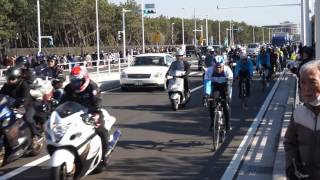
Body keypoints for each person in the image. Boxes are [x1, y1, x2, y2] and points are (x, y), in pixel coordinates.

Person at [59, 66, 109, 169]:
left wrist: (95, 113)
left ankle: (104, 156)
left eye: (78, 81)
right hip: (74, 114)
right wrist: (56, 112)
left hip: (91, 112)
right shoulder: (68, 88)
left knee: (101, 131)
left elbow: (97, 101)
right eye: (73, 81)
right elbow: (62, 102)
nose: (75, 84)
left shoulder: (92, 86)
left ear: (84, 78)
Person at [284, 60, 320, 180]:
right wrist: (292, 166)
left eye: (313, 82)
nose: (307, 88)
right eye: (303, 82)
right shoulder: (298, 113)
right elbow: (289, 142)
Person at [0, 67, 42, 143]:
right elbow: (1, 95)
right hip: (11, 107)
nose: (10, 80)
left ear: (18, 77)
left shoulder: (24, 84)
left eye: (12, 78)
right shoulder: (6, 86)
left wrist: (21, 106)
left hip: (27, 105)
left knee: (28, 118)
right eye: (8, 78)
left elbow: (25, 98)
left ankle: (37, 135)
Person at [203, 56, 233, 131]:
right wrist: (206, 95)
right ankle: (213, 123)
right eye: (216, 67)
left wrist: (228, 95)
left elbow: (229, 85)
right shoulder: (209, 71)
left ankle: (228, 123)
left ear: (223, 65)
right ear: (213, 66)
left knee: (225, 104)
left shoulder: (227, 70)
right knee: (212, 104)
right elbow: (207, 84)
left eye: (220, 67)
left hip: (225, 86)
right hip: (215, 86)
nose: (218, 68)